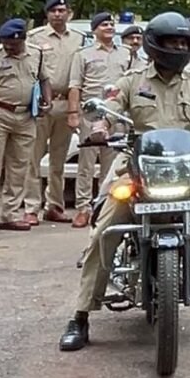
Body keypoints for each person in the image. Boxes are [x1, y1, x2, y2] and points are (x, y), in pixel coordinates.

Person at [60, 12, 190, 352]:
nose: (177, 47)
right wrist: (101, 129)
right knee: (103, 232)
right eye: (170, 42)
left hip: (186, 172)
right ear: (153, 45)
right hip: (135, 169)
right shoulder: (132, 81)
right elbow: (108, 109)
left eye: (182, 43)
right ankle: (81, 315)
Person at [0, 18, 38, 235]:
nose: (9, 47)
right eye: (5, 43)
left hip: (26, 115)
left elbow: (44, 79)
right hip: (0, 113)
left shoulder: (36, 54)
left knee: (20, 166)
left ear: (23, 40)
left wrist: (45, 101)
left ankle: (10, 213)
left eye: (14, 44)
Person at [26, 0, 83, 224]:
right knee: (33, 157)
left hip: (65, 103)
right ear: (47, 14)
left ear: (69, 13)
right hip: (40, 104)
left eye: (62, 10)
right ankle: (31, 207)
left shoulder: (78, 39)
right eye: (53, 11)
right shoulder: (34, 37)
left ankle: (55, 205)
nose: (58, 14)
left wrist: (74, 108)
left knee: (58, 159)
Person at [66, 12, 126, 228]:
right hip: (91, 114)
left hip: (117, 115)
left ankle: (105, 206)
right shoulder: (83, 54)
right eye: (104, 24)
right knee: (86, 163)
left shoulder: (126, 54)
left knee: (112, 165)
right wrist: (73, 113)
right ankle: (83, 208)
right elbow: (75, 85)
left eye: (111, 24)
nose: (109, 27)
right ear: (94, 30)